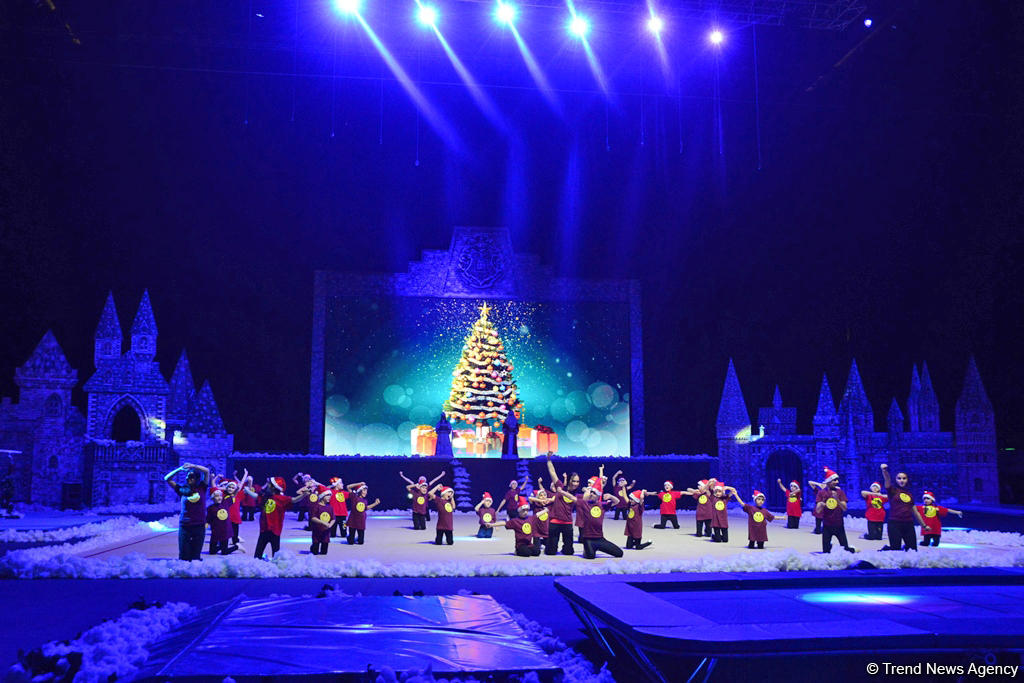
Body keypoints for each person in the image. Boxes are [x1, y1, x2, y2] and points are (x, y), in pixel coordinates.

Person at [246, 476, 308, 559]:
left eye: (269, 485)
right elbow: (256, 496)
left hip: (275, 530)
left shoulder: (281, 499)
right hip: (264, 529)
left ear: (274, 487)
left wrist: (304, 495)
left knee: (276, 554)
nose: (267, 486)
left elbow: (294, 500)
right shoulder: (265, 496)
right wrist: (247, 491)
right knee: (258, 554)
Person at [165, 462, 210, 561]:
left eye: (192, 476)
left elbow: (206, 471)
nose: (188, 478)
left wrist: (194, 466)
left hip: (199, 525)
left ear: (197, 478)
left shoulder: (202, 488)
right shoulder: (182, 489)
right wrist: (180, 469)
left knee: (195, 556)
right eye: (187, 476)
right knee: (184, 556)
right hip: (185, 525)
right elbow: (167, 478)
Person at [880, 464, 925, 551]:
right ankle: (886, 550)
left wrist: (924, 525)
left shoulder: (910, 494)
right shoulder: (892, 490)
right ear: (896, 480)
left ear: (907, 480)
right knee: (895, 549)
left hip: (908, 524)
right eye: (899, 478)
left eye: (904, 478)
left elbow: (915, 511)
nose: (902, 480)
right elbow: (887, 480)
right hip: (894, 523)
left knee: (912, 550)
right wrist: (884, 471)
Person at [576, 476, 623, 559]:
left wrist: (611, 496)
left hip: (600, 538)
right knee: (590, 556)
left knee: (619, 553)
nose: (592, 494)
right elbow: (576, 496)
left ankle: (597, 547)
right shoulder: (584, 503)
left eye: (594, 493)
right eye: (591, 492)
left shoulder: (602, 505)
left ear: (598, 495)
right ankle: (588, 548)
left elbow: (617, 501)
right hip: (588, 538)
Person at [544, 452, 580, 555]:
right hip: (555, 521)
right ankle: (546, 544)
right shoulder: (560, 486)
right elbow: (552, 472)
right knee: (551, 552)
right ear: (569, 480)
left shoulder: (577, 494)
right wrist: (549, 459)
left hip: (567, 523)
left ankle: (565, 547)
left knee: (569, 552)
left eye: (577, 482)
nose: (576, 484)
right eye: (574, 481)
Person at [815, 468, 855, 553]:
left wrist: (837, 499)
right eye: (834, 480)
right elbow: (818, 510)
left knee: (846, 550)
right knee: (825, 551)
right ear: (829, 481)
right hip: (827, 525)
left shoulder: (840, 492)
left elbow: (844, 508)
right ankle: (830, 547)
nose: (837, 482)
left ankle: (852, 549)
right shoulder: (821, 493)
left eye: (837, 480)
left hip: (839, 524)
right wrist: (821, 504)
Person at [205, 488, 238, 555]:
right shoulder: (210, 508)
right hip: (215, 531)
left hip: (225, 531)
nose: (219, 498)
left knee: (224, 552)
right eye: (217, 496)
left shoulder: (226, 503)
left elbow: (234, 494)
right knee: (212, 552)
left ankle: (236, 547)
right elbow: (208, 518)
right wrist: (206, 524)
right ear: (212, 498)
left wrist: (236, 489)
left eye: (220, 496)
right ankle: (221, 547)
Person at [309, 489, 335, 555]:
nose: (329, 497)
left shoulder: (330, 507)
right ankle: (313, 548)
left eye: (330, 495)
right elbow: (313, 518)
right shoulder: (316, 506)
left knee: (324, 552)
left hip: (326, 532)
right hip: (317, 531)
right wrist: (323, 522)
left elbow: (333, 519)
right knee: (315, 552)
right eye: (327, 495)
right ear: (322, 496)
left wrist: (330, 525)